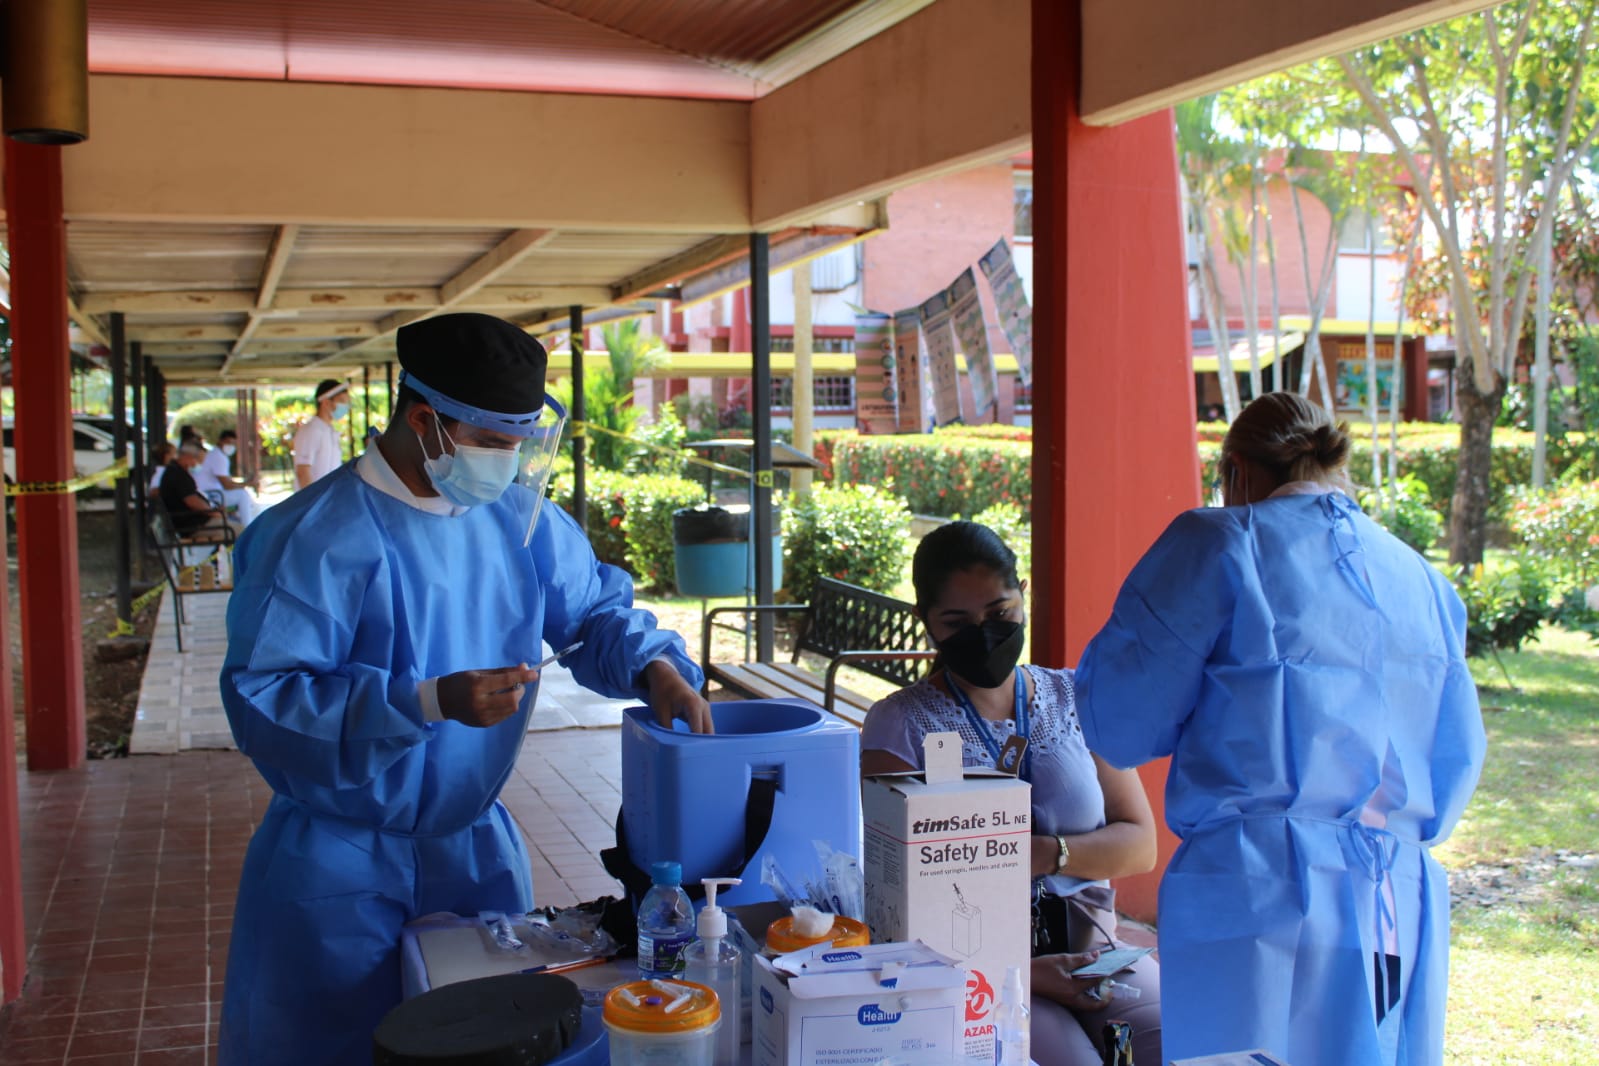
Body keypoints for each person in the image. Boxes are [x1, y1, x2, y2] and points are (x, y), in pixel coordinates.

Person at [218, 313, 713, 1066]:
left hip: (473, 849)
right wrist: (426, 702)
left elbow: (594, 611)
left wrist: (657, 668)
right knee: (330, 1046)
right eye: (492, 444)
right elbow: (268, 698)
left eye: (520, 446)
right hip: (337, 861)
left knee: (486, 1044)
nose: (508, 466)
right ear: (425, 421)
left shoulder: (515, 518)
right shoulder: (313, 535)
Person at [1074, 392, 1485, 1065]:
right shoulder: (1421, 579)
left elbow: (1118, 720)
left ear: (1236, 470)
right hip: (1391, 890)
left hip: (1254, 889)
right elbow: (1454, 758)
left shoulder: (1220, 541)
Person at [860, 522, 1162, 1066]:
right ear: (925, 623)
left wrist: (1044, 854)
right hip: (972, 969)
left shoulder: (1074, 695)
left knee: (1174, 1044)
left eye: (1000, 614)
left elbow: (1140, 843)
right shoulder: (898, 727)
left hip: (1097, 953)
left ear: (1024, 597)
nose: (983, 633)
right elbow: (899, 894)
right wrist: (1025, 969)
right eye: (958, 621)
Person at [158, 440, 238, 539]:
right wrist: (215, 513)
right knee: (242, 532)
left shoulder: (177, 471)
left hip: (196, 522)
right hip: (193, 526)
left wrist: (214, 510)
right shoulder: (177, 475)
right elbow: (192, 501)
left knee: (238, 525)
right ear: (187, 457)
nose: (199, 464)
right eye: (199, 461)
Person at [291, 378, 349, 488]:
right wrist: (315, 502)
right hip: (316, 503)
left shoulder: (329, 431)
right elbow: (303, 472)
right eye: (341, 401)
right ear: (326, 402)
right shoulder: (311, 431)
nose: (345, 406)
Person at [198, 428, 262, 526]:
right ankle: (246, 527)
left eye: (233, 444)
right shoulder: (218, 457)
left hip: (211, 493)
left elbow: (228, 481)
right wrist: (248, 484)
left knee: (243, 495)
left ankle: (240, 522)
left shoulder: (218, 454)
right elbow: (227, 485)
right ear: (220, 440)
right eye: (228, 442)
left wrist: (245, 484)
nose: (230, 446)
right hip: (211, 495)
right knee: (242, 495)